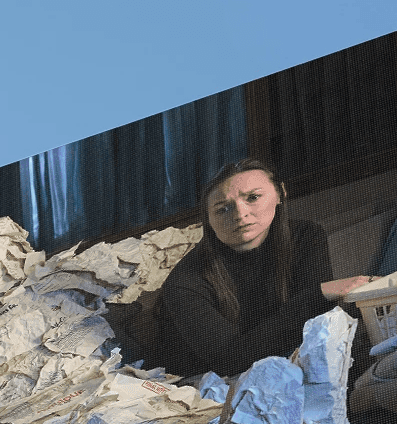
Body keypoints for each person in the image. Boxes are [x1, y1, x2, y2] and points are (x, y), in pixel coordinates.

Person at [157, 158, 373, 377]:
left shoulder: (306, 235)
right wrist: (319, 293)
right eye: (223, 209)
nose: (240, 215)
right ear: (208, 220)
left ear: (280, 194)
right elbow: (230, 360)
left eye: (253, 198)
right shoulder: (184, 282)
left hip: (281, 357)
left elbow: (314, 324)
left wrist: (316, 300)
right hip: (207, 376)